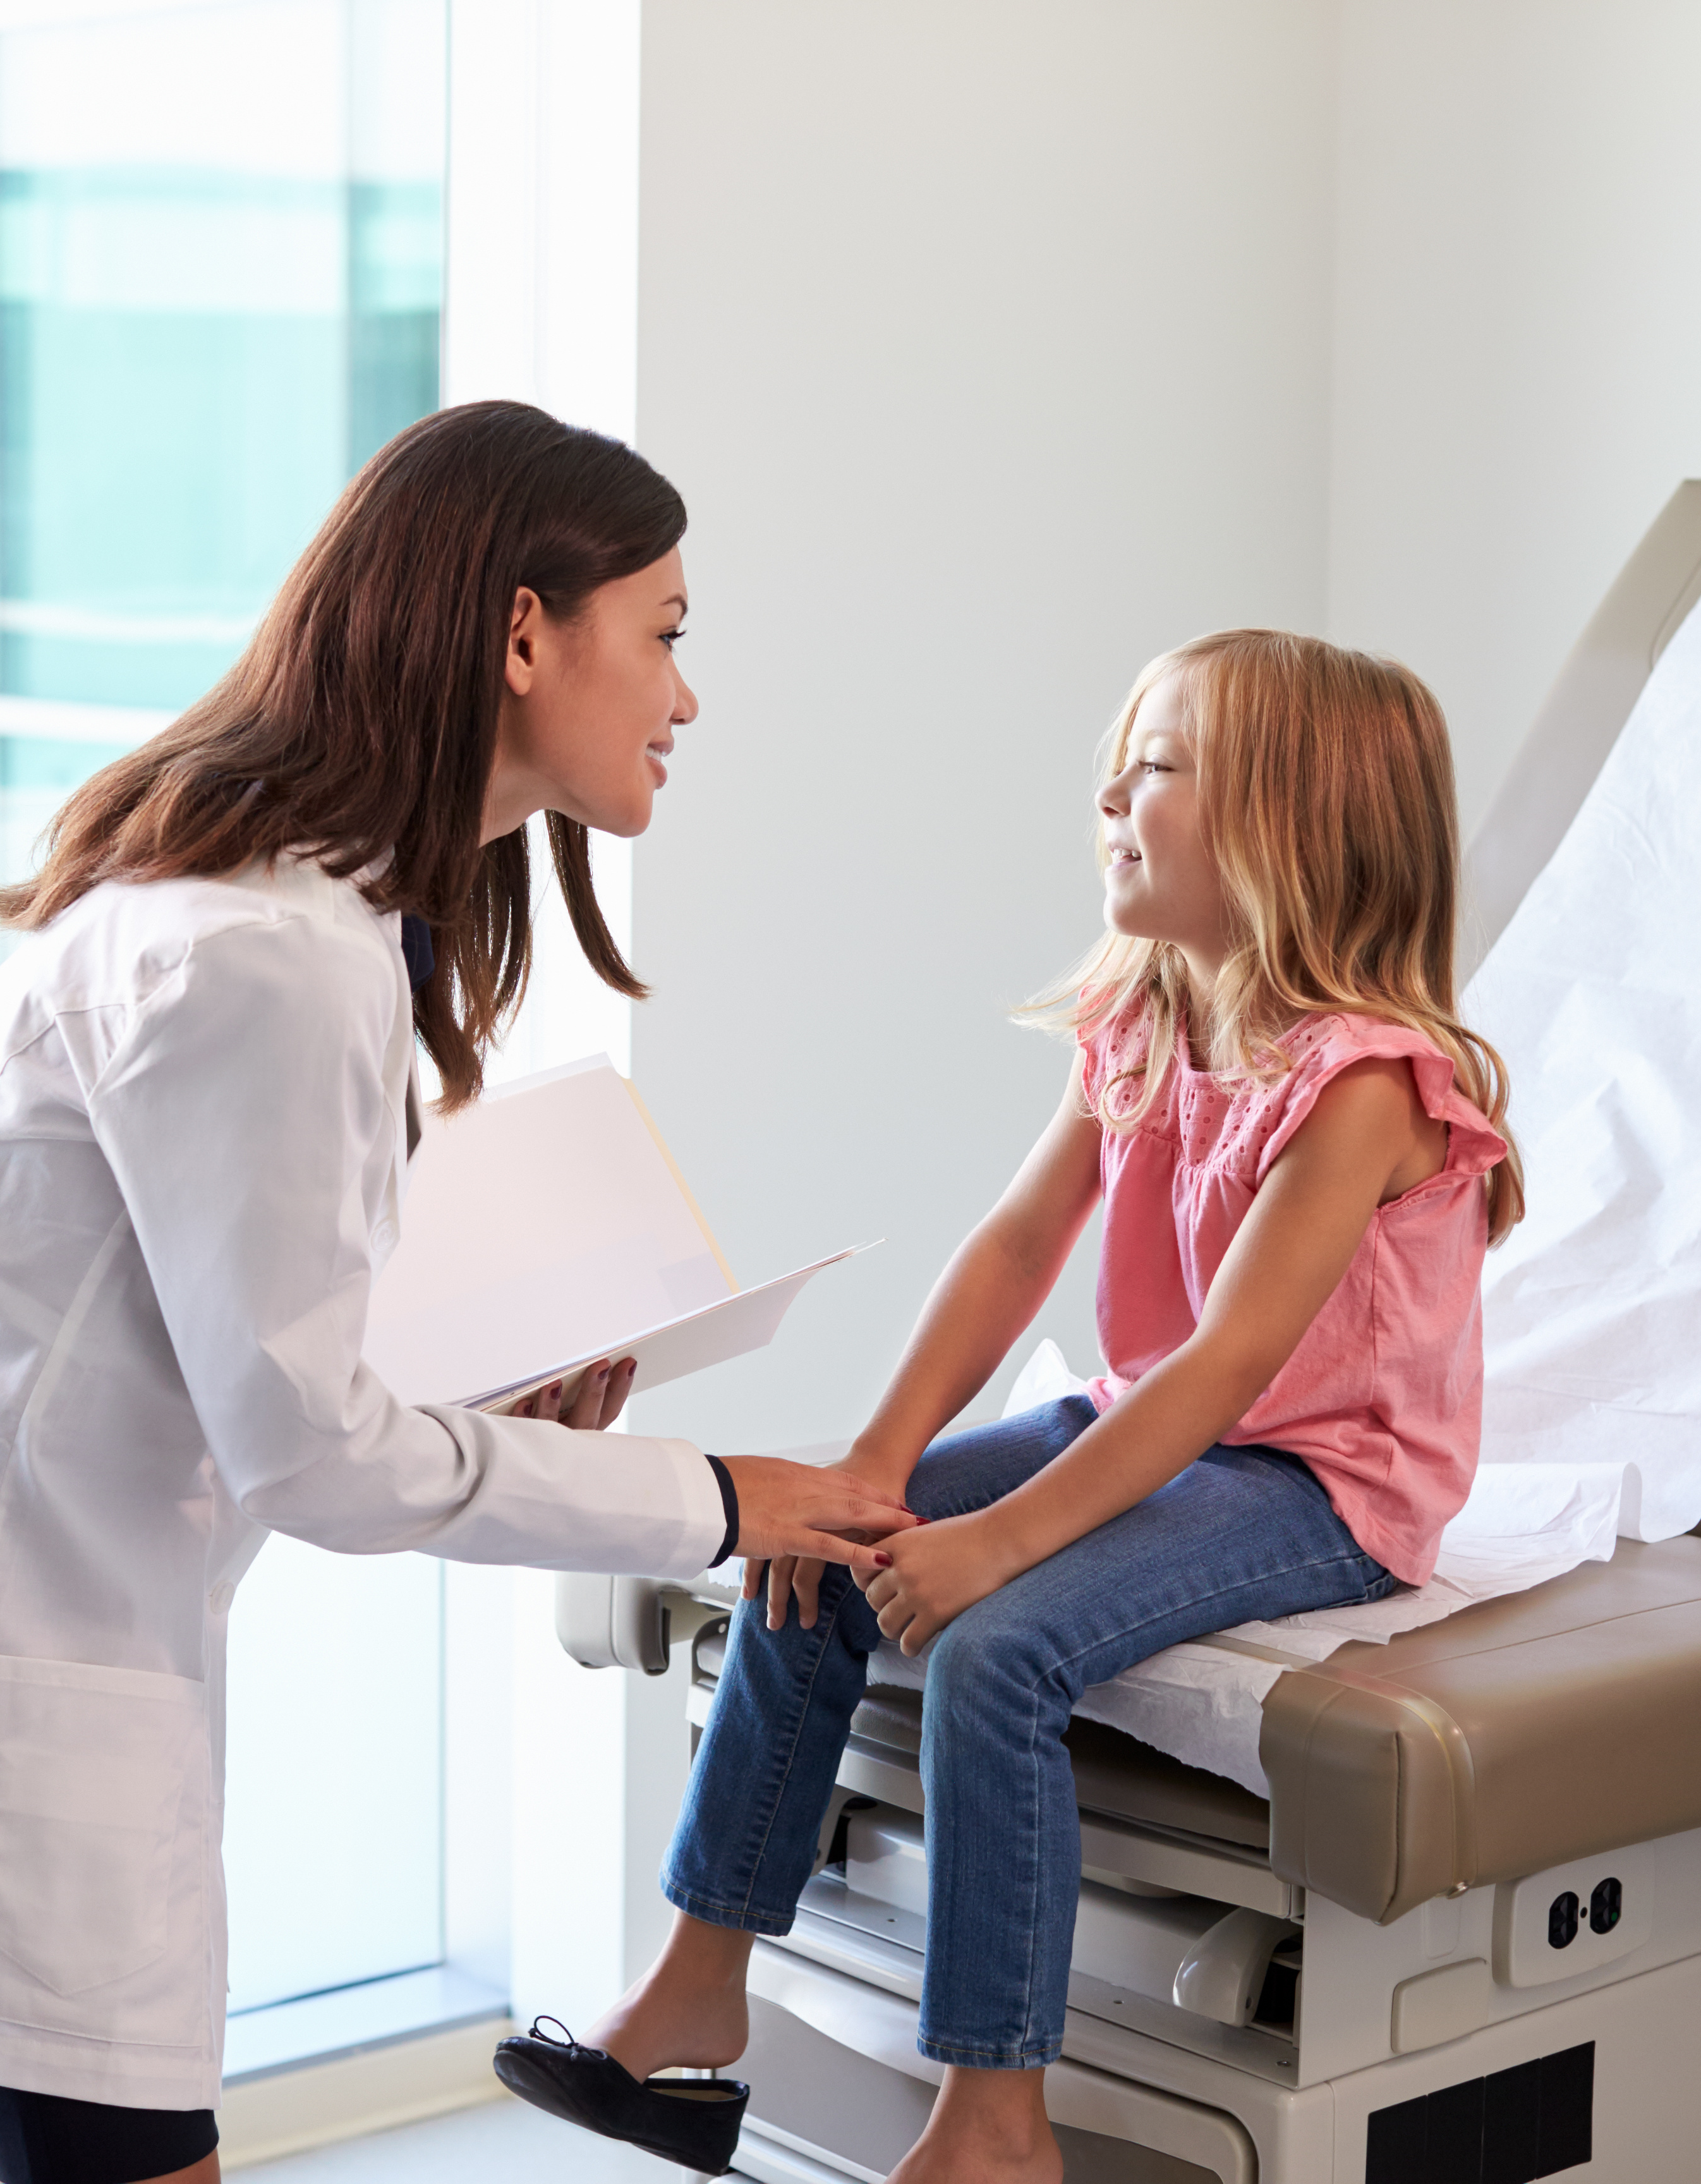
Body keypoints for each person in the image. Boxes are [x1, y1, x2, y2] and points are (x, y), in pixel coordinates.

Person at [0, 401, 916, 2184]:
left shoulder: (292, 912)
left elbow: (231, 1333)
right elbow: (310, 1456)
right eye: (670, 634)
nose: (689, 695)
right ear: (526, 632)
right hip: (19, 1711)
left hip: (35, 1665)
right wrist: (718, 1499)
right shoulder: (268, 955)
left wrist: (478, 1403)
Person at [497, 631, 1525, 2182]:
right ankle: (699, 1988)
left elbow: (1231, 1364)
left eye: (1159, 765)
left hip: (1321, 1481)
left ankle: (994, 2124)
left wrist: (1003, 1545)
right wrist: (872, 1465)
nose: (1111, 790)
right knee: (818, 1543)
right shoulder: (1148, 1013)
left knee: (997, 1654)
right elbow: (1015, 1247)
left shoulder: (1367, 1082)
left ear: (1295, 820)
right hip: (1152, 1416)